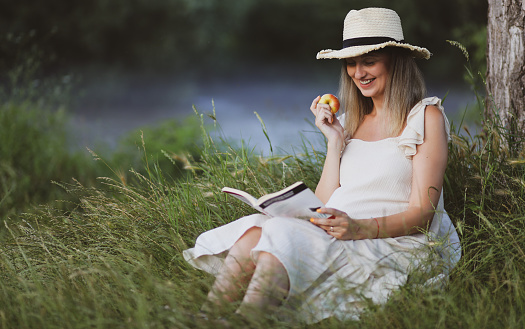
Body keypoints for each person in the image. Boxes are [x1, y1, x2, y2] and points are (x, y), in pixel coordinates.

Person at [183, 7, 461, 324]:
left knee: (282, 233)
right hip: (340, 229)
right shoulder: (349, 122)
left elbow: (424, 213)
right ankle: (207, 318)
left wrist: (361, 228)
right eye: (351, 63)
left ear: (395, 60)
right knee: (255, 230)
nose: (358, 72)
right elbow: (324, 203)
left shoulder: (425, 117)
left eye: (368, 61)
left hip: (390, 238)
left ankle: (245, 321)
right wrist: (334, 141)